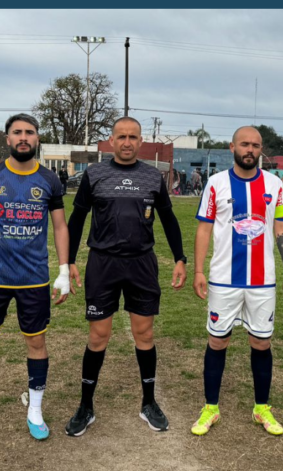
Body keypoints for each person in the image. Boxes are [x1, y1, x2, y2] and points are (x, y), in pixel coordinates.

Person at [64, 117, 187, 436]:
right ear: (112, 140)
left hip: (141, 265)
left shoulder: (152, 176)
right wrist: (69, 260)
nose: (128, 142)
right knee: (98, 337)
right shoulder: (94, 174)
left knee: (144, 335)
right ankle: (85, 406)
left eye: (133, 137)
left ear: (141, 140)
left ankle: (149, 402)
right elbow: (77, 218)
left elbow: (169, 218)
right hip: (102, 264)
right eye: (122, 136)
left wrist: (180, 258)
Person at [0, 114, 70, 442]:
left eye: (29, 133)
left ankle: (35, 409)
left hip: (34, 279)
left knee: (36, 343)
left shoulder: (50, 180)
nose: (23, 137)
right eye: (17, 132)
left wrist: (63, 271)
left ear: (37, 138)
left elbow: (61, 226)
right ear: (7, 139)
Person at [190, 126, 283, 437]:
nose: (250, 150)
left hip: (262, 281)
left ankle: (261, 408)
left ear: (261, 149)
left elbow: (281, 229)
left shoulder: (275, 185)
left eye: (256, 145)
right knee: (217, 340)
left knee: (261, 342)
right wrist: (199, 271)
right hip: (223, 279)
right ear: (232, 147)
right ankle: (211, 407)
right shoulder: (215, 184)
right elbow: (204, 230)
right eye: (245, 144)